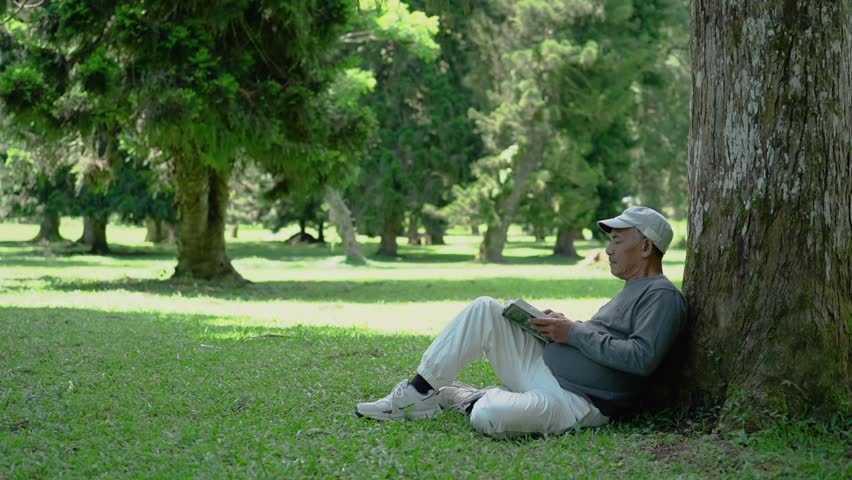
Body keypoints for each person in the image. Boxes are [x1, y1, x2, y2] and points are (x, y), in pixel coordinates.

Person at [355, 206, 687, 438]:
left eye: (617, 240)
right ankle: (418, 392)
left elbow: (641, 358)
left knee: (490, 416)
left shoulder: (662, 296)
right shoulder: (632, 288)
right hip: (542, 366)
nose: (609, 250)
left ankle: (465, 397)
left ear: (645, 246)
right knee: (485, 308)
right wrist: (563, 325)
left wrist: (574, 332)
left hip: (576, 401)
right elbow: (600, 337)